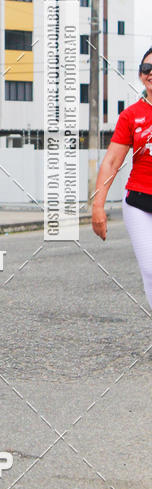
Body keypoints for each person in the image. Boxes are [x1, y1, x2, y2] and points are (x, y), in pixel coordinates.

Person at [92, 47, 152, 308]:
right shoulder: (131, 116)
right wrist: (97, 207)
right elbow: (112, 162)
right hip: (139, 202)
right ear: (141, 76)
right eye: (147, 69)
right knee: (151, 269)